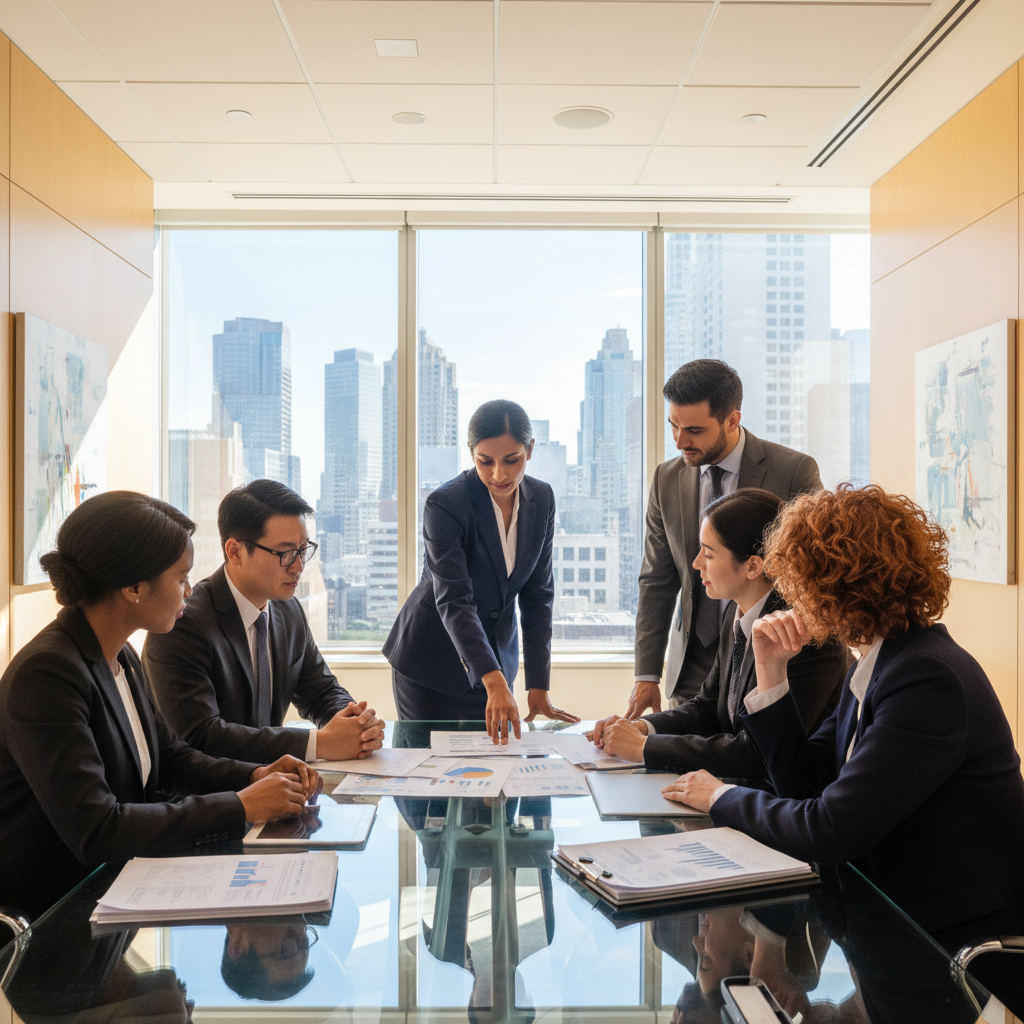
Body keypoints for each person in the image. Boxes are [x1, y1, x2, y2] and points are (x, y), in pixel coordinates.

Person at [662, 484, 1024, 951]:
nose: (790, 594)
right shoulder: (879, 662)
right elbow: (806, 786)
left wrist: (720, 796)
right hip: (894, 913)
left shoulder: (926, 678)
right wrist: (771, 674)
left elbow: (828, 829)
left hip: (956, 939)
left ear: (840, 586)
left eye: (801, 581)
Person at [0, 491, 321, 918]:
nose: (191, 590)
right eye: (181, 577)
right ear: (133, 587)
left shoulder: (121, 656)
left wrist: (257, 775)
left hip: (119, 888)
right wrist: (242, 805)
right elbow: (98, 829)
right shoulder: (48, 674)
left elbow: (172, 758)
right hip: (53, 914)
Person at [591, 489, 848, 776]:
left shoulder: (803, 634)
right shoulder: (735, 612)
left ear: (752, 566)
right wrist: (642, 728)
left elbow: (759, 752)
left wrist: (644, 747)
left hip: (788, 803)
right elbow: (707, 707)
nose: (696, 562)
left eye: (709, 554)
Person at [628, 359, 822, 716]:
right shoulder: (666, 479)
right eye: (673, 426)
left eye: (695, 430)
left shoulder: (792, 471)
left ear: (732, 419)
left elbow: (817, 573)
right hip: (689, 668)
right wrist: (646, 674)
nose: (680, 441)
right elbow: (657, 579)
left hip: (767, 658)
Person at [144, 480, 384, 763]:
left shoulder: (288, 609)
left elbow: (320, 691)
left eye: (304, 549)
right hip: (208, 798)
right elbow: (201, 736)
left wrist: (355, 722)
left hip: (276, 787)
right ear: (235, 552)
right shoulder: (184, 623)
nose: (298, 566)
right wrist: (319, 744)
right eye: (285, 553)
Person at [383, 399, 579, 740]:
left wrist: (537, 684)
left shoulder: (542, 498)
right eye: (485, 461)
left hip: (497, 665)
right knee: (428, 781)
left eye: (511, 460)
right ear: (470, 451)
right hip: (432, 665)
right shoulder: (445, 504)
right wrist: (493, 679)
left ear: (530, 449)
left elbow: (538, 596)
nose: (498, 474)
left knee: (493, 776)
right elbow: (454, 599)